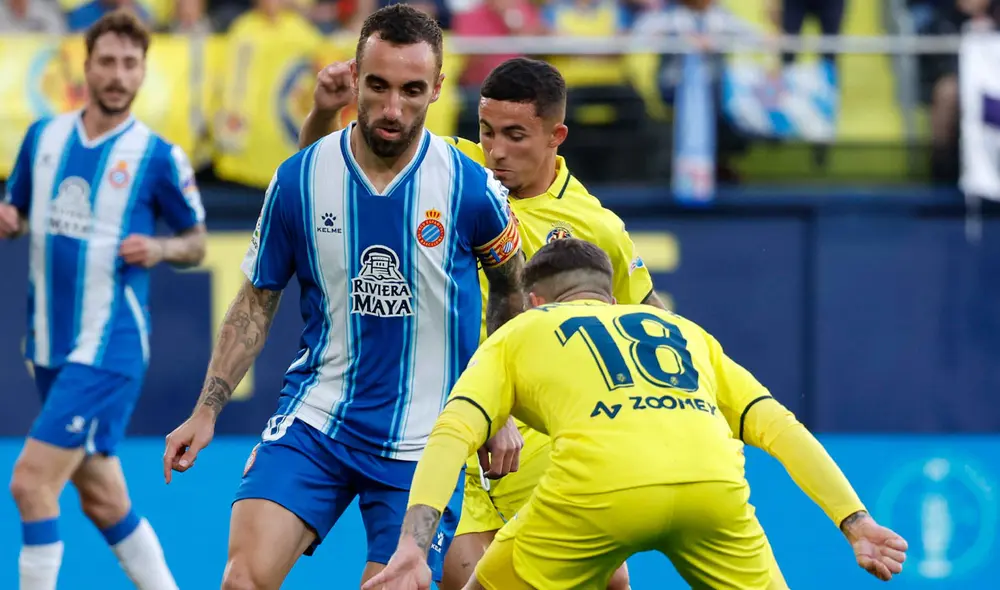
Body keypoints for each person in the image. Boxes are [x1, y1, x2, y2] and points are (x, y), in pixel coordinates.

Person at [161, 5, 526, 589]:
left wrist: (500, 410)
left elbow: (514, 291)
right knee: (241, 581)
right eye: (377, 86)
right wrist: (207, 409)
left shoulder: (470, 185)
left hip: (427, 442)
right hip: (318, 420)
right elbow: (257, 299)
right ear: (354, 77)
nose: (391, 108)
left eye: (411, 90)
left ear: (436, 88)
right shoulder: (298, 178)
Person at [299, 55, 664, 590]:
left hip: (540, 439)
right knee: (450, 578)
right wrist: (322, 112)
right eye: (487, 131)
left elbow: (649, 320)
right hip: (445, 426)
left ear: (555, 135)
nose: (495, 151)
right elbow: (320, 169)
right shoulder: (448, 169)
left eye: (515, 135)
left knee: (608, 583)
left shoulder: (596, 226)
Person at [366, 238, 910, 590]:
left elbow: (453, 431)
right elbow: (779, 427)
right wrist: (855, 521)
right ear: (609, 294)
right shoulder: (685, 332)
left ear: (533, 301)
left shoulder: (521, 331)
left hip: (599, 491)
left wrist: (413, 547)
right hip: (711, 487)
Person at [0, 10, 207, 590]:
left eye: (130, 64)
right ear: (85, 67)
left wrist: (162, 248)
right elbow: (16, 210)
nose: (118, 74)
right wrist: (10, 219)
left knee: (31, 483)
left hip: (109, 345)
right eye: (108, 62)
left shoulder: (158, 156)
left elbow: (195, 241)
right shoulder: (43, 138)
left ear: (143, 73)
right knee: (103, 498)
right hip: (47, 342)